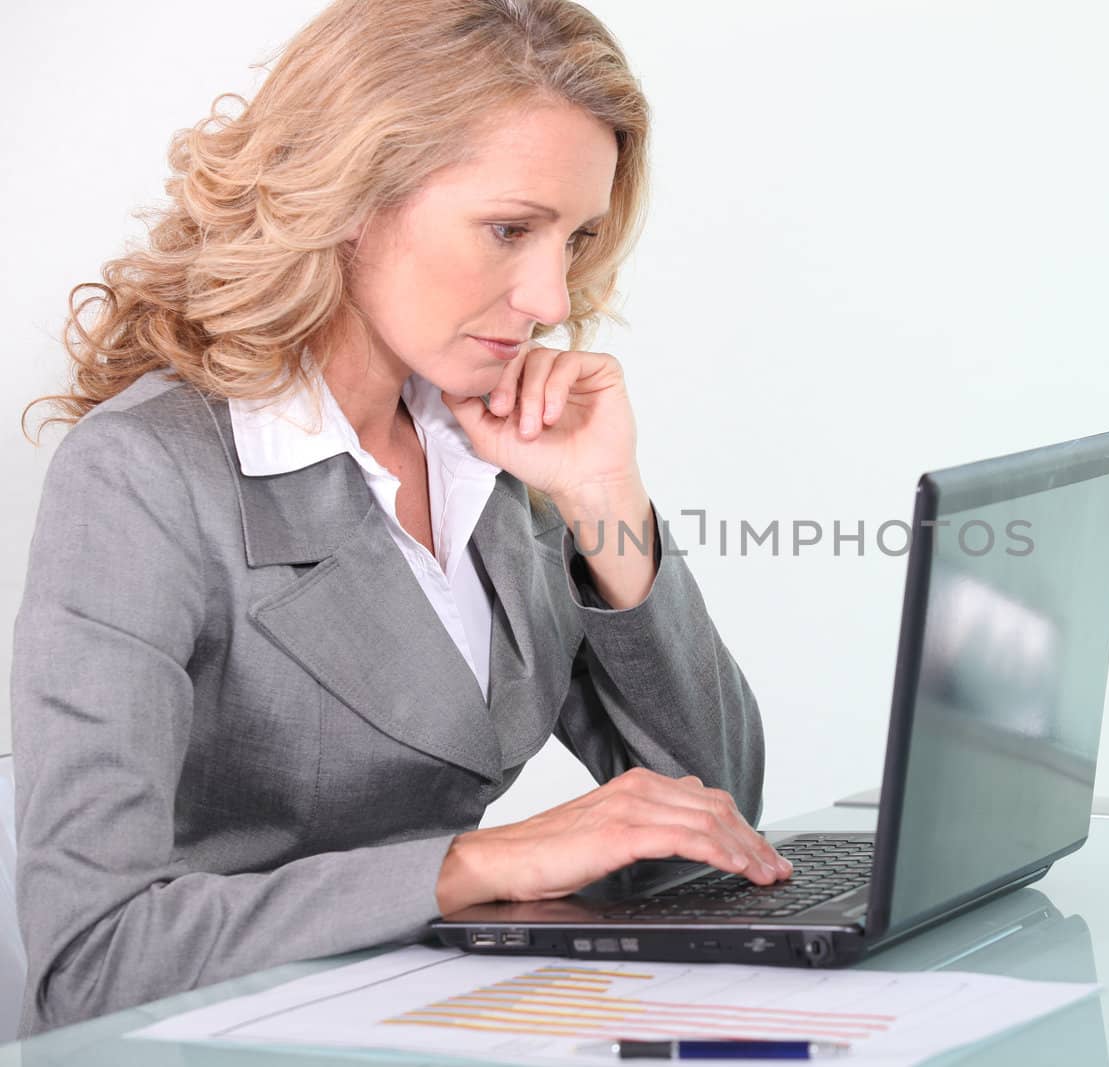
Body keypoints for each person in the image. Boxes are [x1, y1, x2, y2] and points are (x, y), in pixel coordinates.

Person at [9, 0, 788, 1038]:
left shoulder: (488, 443)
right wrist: (480, 862)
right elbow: (90, 957)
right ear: (352, 199)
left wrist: (605, 497)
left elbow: (716, 810)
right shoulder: (145, 474)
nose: (551, 296)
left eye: (577, 237)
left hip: (439, 1018)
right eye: (509, 229)